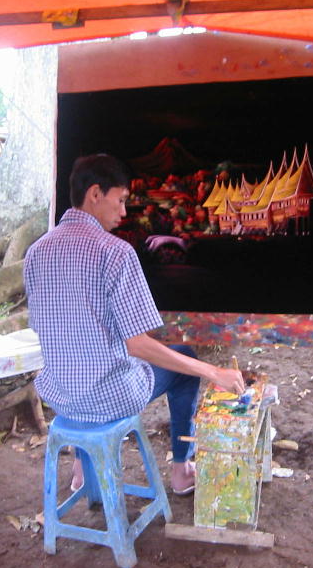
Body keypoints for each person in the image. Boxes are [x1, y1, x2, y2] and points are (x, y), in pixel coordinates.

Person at [24, 154, 245, 496]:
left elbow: (44, 328)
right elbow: (138, 345)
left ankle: (83, 469)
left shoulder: (36, 252)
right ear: (95, 194)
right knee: (184, 363)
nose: (124, 212)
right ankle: (182, 470)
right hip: (107, 398)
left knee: (87, 368)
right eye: (121, 201)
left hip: (61, 396)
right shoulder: (115, 252)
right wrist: (213, 372)